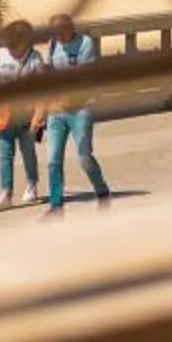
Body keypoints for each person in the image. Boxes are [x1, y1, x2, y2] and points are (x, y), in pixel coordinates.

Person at [40, 12, 113, 212]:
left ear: (70, 28)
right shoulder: (53, 45)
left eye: (61, 33)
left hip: (81, 108)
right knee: (53, 159)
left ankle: (102, 190)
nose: (58, 38)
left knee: (84, 156)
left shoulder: (85, 44)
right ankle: (56, 203)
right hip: (57, 111)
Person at [0, 19, 46, 212]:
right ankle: (5, 193)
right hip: (4, 115)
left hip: (27, 116)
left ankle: (31, 184)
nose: (10, 46)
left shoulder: (35, 59)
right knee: (5, 154)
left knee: (28, 152)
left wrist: (39, 115)